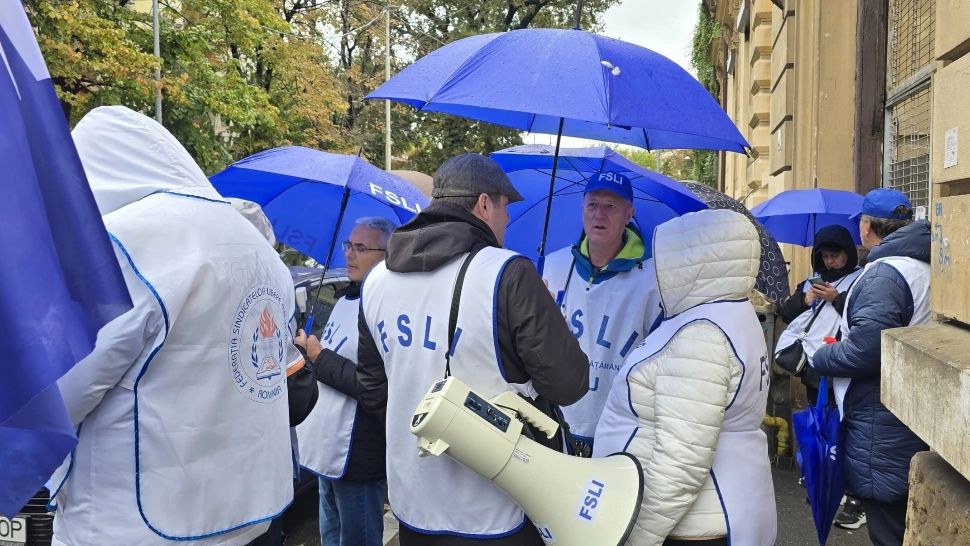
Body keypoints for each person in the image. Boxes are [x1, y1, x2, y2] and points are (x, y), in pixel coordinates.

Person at [49, 106, 299, 545]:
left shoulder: (123, 240)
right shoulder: (255, 243)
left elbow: (62, 389)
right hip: (244, 513)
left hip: (129, 521)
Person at [356, 153, 589, 545]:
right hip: (498, 508)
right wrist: (557, 325)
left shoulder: (377, 279)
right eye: (504, 207)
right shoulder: (508, 273)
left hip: (414, 501)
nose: (508, 219)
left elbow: (373, 391)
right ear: (484, 203)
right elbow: (569, 384)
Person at [594, 209, 777, 546]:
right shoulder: (730, 313)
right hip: (724, 506)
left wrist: (636, 536)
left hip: (694, 526)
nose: (655, 269)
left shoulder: (701, 336)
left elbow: (682, 461)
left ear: (692, 261)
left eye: (662, 257)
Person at [812, 188, 931, 546]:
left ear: (866, 227)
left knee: (888, 528)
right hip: (909, 408)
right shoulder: (925, 264)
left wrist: (822, 357)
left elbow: (867, 350)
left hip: (884, 419)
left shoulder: (884, 273)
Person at [541, 171, 662, 451]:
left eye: (611, 207)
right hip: (555, 422)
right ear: (582, 208)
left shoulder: (653, 279)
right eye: (593, 205)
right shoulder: (552, 266)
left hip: (620, 429)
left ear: (629, 213)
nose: (599, 215)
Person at [294, 217, 396, 546]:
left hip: (356, 453)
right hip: (326, 446)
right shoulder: (343, 300)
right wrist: (308, 353)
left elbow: (377, 388)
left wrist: (319, 356)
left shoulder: (387, 309)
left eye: (361, 247)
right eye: (349, 245)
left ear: (386, 254)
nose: (350, 254)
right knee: (331, 535)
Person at [777, 224, 866, 530]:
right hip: (813, 365)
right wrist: (805, 300)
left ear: (848, 253)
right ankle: (823, 477)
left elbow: (863, 317)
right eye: (825, 256)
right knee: (820, 423)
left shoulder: (860, 279)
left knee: (845, 426)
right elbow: (785, 313)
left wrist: (837, 299)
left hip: (844, 365)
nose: (831, 262)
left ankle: (850, 490)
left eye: (836, 255)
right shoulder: (812, 282)